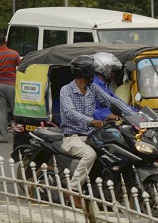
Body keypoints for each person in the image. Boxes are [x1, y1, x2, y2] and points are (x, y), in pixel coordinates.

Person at [56, 55, 107, 205]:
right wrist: (91, 121)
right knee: (90, 154)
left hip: (89, 136)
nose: (95, 74)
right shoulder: (66, 90)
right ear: (85, 73)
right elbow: (70, 112)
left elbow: (111, 100)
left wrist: (135, 114)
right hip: (72, 138)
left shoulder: (92, 89)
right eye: (92, 71)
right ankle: (72, 189)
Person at [0, 36, 20, 144]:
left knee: (1, 112)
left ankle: (3, 137)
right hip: (12, 85)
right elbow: (21, 68)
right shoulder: (14, 54)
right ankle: (19, 135)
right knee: (17, 111)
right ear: (6, 41)